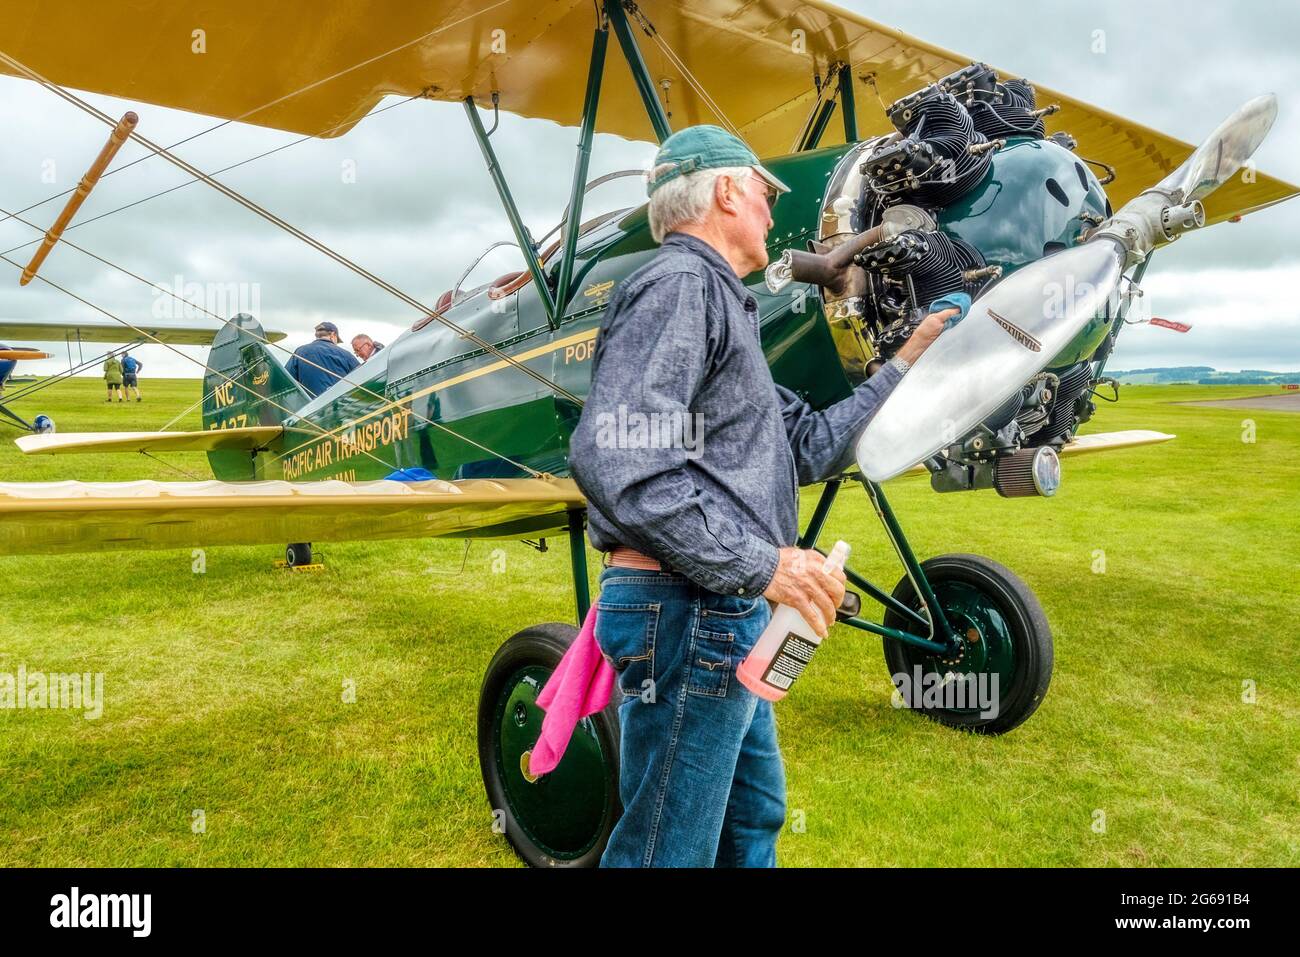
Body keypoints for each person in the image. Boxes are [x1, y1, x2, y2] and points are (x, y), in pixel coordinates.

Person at [568, 125, 957, 868]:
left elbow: (807, 444)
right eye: (766, 192)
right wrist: (764, 565)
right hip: (690, 608)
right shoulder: (681, 285)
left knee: (752, 819)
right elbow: (619, 457)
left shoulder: (721, 305)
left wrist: (904, 364)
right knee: (666, 848)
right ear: (724, 191)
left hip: (723, 606)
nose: (776, 212)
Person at [285, 321, 360, 398]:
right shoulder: (345, 355)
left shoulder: (299, 352)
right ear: (333, 335)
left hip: (310, 406)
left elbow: (286, 379)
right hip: (339, 404)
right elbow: (361, 377)